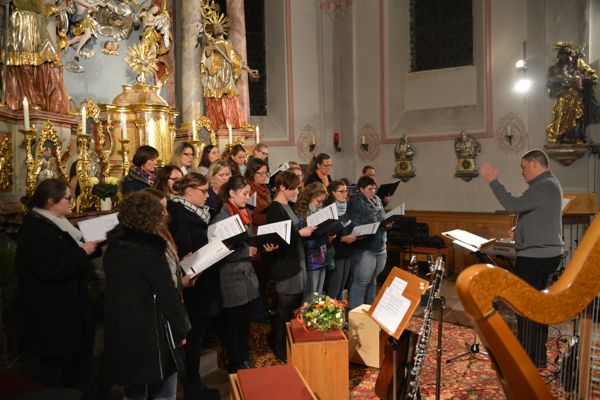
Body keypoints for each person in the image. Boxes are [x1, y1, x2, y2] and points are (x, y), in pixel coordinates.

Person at [16, 179, 100, 399]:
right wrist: (83, 252)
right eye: (68, 198)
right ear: (51, 202)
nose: (71, 203)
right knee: (55, 370)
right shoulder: (37, 229)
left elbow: (71, 250)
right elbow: (51, 268)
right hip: (54, 313)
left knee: (81, 366)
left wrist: (92, 247)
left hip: (70, 310)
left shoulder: (57, 222)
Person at [480, 150, 563, 368]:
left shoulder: (543, 186)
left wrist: (493, 181)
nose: (522, 172)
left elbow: (513, 204)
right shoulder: (549, 185)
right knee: (537, 308)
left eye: (524, 167)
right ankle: (537, 358)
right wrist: (523, 228)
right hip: (544, 254)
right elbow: (541, 216)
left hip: (536, 257)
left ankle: (526, 360)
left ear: (535, 164)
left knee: (525, 308)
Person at [103, 191, 190, 400]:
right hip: (150, 331)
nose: (165, 214)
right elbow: (167, 295)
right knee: (165, 390)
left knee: (134, 391)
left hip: (122, 327)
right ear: (151, 216)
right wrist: (181, 329)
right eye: (161, 211)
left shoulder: (114, 247)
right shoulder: (150, 250)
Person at [211, 176, 276, 372]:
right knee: (233, 325)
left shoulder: (244, 213)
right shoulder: (221, 217)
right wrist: (245, 252)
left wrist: (262, 247)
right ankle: (236, 362)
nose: (248, 198)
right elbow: (217, 251)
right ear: (231, 192)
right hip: (231, 278)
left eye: (249, 194)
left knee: (244, 323)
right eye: (245, 194)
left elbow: (248, 242)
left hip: (246, 277)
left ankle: (243, 357)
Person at [167, 174, 221, 400]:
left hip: (202, 281)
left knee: (198, 335)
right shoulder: (181, 216)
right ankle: (192, 385)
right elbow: (185, 251)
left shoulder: (194, 212)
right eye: (203, 191)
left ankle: (194, 382)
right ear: (188, 192)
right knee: (194, 336)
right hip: (193, 285)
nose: (208, 195)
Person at [264, 171, 316, 362]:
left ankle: (287, 341)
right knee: (284, 309)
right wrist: (300, 234)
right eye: (293, 188)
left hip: (297, 259)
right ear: (282, 188)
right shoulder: (274, 209)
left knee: (293, 307)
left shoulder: (289, 206)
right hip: (286, 264)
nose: (297, 192)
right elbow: (276, 239)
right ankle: (279, 345)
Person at [2, 0, 71, 113]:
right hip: (20, 22)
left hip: (37, 24)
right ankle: (27, 99)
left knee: (44, 61)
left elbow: (46, 10)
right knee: (22, 63)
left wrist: (59, 9)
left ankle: (39, 99)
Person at [199, 13, 259, 129]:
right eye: (215, 27)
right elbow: (205, 59)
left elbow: (236, 60)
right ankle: (218, 123)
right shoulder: (211, 43)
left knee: (231, 97)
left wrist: (249, 70)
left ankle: (234, 124)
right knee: (216, 98)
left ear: (223, 28)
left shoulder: (228, 44)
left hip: (227, 74)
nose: (218, 28)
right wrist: (209, 50)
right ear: (212, 31)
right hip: (216, 75)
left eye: (219, 26)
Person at [347, 175, 389, 309]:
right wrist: (372, 226)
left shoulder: (376, 199)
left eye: (374, 189)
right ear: (361, 189)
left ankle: (370, 310)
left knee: (372, 280)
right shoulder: (355, 201)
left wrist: (387, 223)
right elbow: (353, 223)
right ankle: (356, 313)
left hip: (380, 244)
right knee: (361, 281)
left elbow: (382, 217)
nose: (373, 192)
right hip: (365, 247)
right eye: (370, 189)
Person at [546, 41, 599, 144]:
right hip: (563, 94)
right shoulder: (556, 68)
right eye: (561, 54)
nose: (563, 57)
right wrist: (562, 79)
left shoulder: (578, 63)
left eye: (566, 54)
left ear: (570, 54)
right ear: (559, 56)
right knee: (561, 112)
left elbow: (589, 73)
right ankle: (561, 134)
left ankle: (575, 135)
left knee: (577, 113)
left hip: (575, 94)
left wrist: (584, 78)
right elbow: (551, 79)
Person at [244, 158, 272, 322]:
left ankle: (262, 309)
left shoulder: (264, 189)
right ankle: (258, 313)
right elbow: (251, 215)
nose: (264, 177)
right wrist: (271, 216)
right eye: (260, 173)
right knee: (258, 279)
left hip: (265, 236)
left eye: (265, 173)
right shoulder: (250, 191)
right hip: (255, 237)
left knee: (264, 278)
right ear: (252, 173)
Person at [294, 182, 332, 301]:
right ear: (310, 196)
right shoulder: (302, 215)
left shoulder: (319, 213)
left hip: (322, 259)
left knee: (318, 296)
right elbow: (304, 243)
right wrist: (326, 239)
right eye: (319, 202)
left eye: (322, 202)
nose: (321, 205)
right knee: (310, 297)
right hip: (310, 261)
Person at [325, 180, 358, 300]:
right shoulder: (329, 210)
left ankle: (338, 313)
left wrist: (356, 233)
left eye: (346, 191)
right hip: (336, 252)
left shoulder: (344, 207)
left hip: (347, 251)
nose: (345, 194)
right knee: (334, 287)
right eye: (342, 191)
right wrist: (342, 238)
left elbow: (348, 225)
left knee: (342, 287)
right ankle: (330, 315)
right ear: (332, 193)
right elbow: (328, 232)